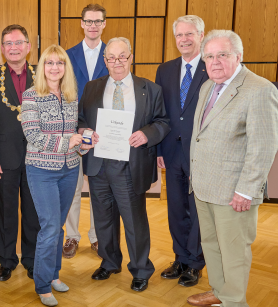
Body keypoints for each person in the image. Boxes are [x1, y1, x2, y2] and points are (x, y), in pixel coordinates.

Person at [187, 30, 278, 307]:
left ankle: (234, 302)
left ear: (238, 56)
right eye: (209, 56)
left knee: (234, 251)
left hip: (234, 193)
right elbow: (200, 135)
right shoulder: (207, 87)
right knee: (212, 245)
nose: (215, 62)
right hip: (205, 185)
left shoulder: (260, 90)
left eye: (223, 55)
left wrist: (246, 190)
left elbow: (263, 147)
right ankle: (219, 291)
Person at [78, 37, 170, 292]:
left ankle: (141, 269)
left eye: (122, 57)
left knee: (134, 220)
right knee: (103, 218)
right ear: (105, 61)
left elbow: (162, 121)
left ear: (131, 57)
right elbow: (81, 119)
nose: (117, 62)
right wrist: (86, 133)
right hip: (99, 164)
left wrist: (147, 134)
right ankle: (109, 262)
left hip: (131, 165)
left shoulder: (150, 89)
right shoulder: (91, 87)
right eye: (111, 58)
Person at [22, 44, 97, 307]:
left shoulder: (71, 95)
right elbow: (33, 136)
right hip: (41, 170)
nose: (55, 68)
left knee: (59, 226)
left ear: (66, 68)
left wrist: (85, 142)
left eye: (60, 63)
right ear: (42, 67)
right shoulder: (31, 95)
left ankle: (53, 275)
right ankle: (42, 285)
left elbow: (75, 134)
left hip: (69, 169)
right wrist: (69, 140)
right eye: (50, 63)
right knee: (50, 226)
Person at [0, 24, 40, 282]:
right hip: (4, 158)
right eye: (8, 44)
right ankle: (7, 261)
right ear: (2, 49)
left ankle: (32, 259)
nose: (14, 48)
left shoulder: (43, 74)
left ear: (28, 46)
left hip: (38, 157)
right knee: (6, 212)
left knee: (33, 213)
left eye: (18, 43)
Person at [154, 15, 208, 288]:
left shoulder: (212, 67)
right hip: (171, 152)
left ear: (201, 35)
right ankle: (180, 258)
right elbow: (159, 113)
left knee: (197, 209)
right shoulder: (165, 70)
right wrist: (158, 150)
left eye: (190, 34)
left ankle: (196, 262)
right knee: (175, 209)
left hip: (201, 153)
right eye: (179, 35)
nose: (184, 39)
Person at [63, 3, 109, 259]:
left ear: (103, 24)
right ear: (81, 23)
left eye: (97, 21)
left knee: (99, 188)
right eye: (88, 21)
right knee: (72, 186)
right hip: (73, 132)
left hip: (103, 134)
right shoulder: (67, 56)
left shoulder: (112, 54)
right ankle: (71, 236)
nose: (93, 25)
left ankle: (97, 236)